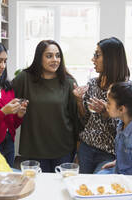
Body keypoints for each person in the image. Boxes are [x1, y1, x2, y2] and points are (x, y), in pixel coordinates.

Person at [12, 40, 80, 173]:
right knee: (37, 188)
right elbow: (6, 99)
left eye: (58, 55)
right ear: (39, 58)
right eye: (49, 56)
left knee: (61, 188)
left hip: (63, 148)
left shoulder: (68, 82)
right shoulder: (24, 79)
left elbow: (75, 117)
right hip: (35, 149)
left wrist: (78, 148)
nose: (55, 60)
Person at [73, 37, 130, 173]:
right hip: (86, 149)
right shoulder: (92, 84)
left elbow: (128, 129)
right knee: (82, 187)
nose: (93, 59)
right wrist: (79, 101)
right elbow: (85, 119)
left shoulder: (127, 90)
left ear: (111, 59)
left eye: (97, 55)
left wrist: (107, 113)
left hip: (109, 154)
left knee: (99, 188)